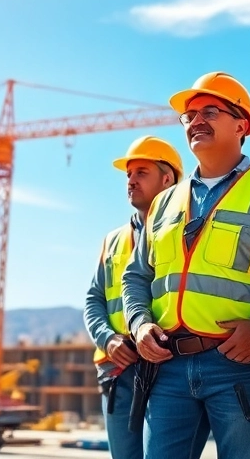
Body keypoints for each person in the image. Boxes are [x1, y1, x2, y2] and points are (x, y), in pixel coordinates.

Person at [122, 72, 250, 459]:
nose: (196, 121)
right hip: (168, 366)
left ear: (241, 125)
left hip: (238, 364)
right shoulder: (164, 202)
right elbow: (136, 276)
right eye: (189, 115)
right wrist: (139, 323)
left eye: (209, 112)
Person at [84, 136, 184, 459]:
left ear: (167, 179)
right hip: (119, 368)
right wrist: (108, 339)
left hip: (168, 365)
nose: (131, 181)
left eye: (141, 172)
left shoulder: (185, 231)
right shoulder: (113, 240)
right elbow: (94, 299)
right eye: (129, 174)